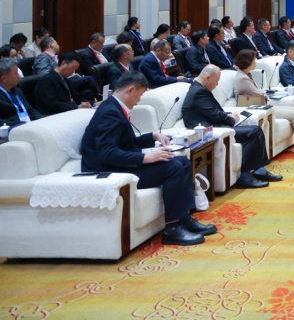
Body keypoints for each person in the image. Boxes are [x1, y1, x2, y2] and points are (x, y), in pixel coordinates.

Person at [81, 71, 217, 246]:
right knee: (173, 167)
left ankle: (184, 218)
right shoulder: (109, 113)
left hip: (119, 164)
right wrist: (146, 157)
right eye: (140, 94)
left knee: (182, 162)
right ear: (131, 90)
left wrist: (152, 136)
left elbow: (126, 143)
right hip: (108, 171)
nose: (139, 100)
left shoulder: (114, 107)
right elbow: (107, 153)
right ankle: (172, 229)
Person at [182, 65, 279, 189]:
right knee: (254, 132)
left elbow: (212, 112)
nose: (217, 84)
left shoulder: (198, 89)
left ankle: (259, 170)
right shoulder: (199, 92)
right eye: (216, 81)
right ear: (207, 78)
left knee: (255, 130)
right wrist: (231, 119)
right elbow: (215, 116)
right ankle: (245, 177)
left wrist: (229, 115)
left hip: (216, 126)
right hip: (211, 131)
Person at [232, 49, 294, 153]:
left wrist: (265, 93)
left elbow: (258, 92)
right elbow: (258, 93)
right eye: (254, 60)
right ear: (247, 61)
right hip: (256, 109)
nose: (255, 62)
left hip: (261, 106)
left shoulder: (246, 74)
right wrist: (266, 93)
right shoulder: (242, 78)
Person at [0, 57, 42, 127]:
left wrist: (42, 120)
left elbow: (30, 110)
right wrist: (22, 124)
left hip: (29, 125)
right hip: (13, 129)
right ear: (4, 78)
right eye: (16, 73)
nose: (19, 76)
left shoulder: (17, 90)